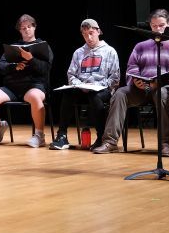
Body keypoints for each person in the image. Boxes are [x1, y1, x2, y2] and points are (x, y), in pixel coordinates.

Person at [91, 9, 169, 156]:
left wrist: (159, 82)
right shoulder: (141, 46)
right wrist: (136, 81)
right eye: (154, 26)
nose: (157, 29)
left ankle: (165, 144)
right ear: (150, 26)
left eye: (161, 25)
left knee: (162, 93)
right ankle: (109, 142)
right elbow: (132, 67)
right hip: (144, 88)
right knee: (120, 94)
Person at [0, 14, 53, 147]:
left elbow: (45, 69)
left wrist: (31, 59)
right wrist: (14, 66)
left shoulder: (43, 46)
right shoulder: (13, 46)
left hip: (34, 85)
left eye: (29, 26)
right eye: (23, 28)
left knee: (35, 97)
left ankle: (39, 135)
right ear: (19, 30)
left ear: (34, 27)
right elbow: (0, 66)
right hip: (12, 87)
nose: (26, 30)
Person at [49, 19, 119, 150]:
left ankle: (101, 137)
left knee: (95, 97)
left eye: (91, 33)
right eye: (85, 34)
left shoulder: (110, 51)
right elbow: (71, 75)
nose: (89, 37)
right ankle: (62, 136)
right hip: (82, 88)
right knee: (68, 94)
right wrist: (80, 85)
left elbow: (115, 78)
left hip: (102, 90)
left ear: (98, 31)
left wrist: (97, 85)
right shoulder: (78, 52)